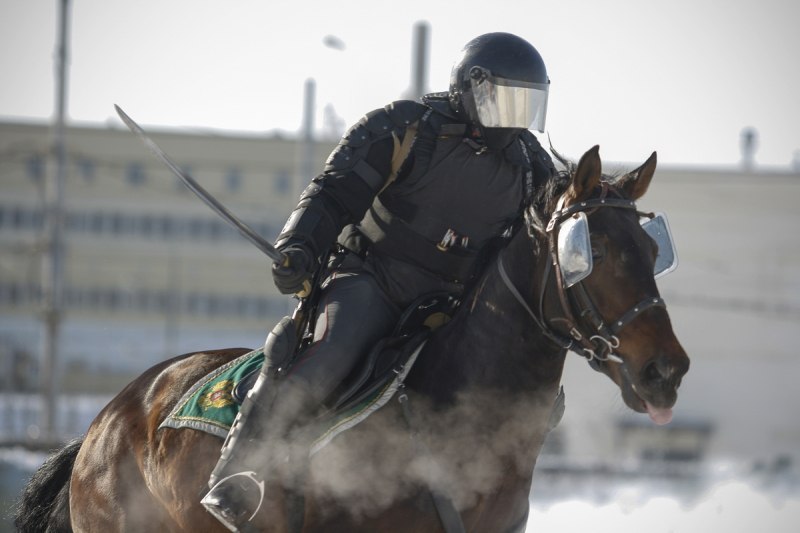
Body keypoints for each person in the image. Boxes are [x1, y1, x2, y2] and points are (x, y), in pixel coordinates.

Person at [201, 31, 557, 530]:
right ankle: (238, 476)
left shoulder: (533, 170)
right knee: (329, 354)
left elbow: (553, 241)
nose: (517, 119)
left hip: (451, 307)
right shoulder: (403, 128)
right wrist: (300, 244)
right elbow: (332, 193)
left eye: (528, 105)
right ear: (471, 89)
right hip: (372, 281)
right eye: (508, 101)